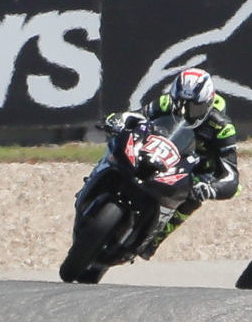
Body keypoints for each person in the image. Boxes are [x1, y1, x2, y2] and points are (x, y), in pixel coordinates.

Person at [103, 66, 240, 259]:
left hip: (195, 169)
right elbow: (138, 116)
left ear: (208, 102)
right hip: (159, 152)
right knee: (121, 143)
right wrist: (119, 120)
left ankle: (152, 241)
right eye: (180, 104)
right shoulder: (166, 103)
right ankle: (99, 177)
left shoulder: (222, 126)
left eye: (194, 107)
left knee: (192, 198)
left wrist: (211, 188)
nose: (185, 111)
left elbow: (231, 175)